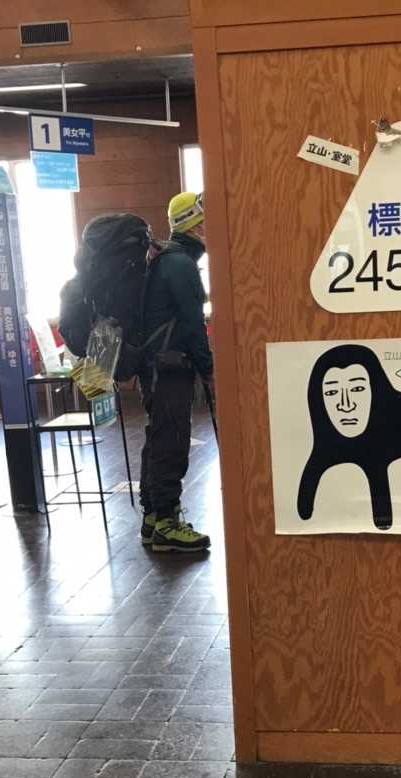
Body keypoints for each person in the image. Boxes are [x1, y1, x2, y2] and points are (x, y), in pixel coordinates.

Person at [138, 191, 215, 553]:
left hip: (156, 365)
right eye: (205, 220)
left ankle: (153, 517)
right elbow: (192, 324)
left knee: (158, 437)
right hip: (170, 365)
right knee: (171, 440)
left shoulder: (166, 258)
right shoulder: (181, 264)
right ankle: (168, 523)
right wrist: (208, 368)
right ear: (193, 225)